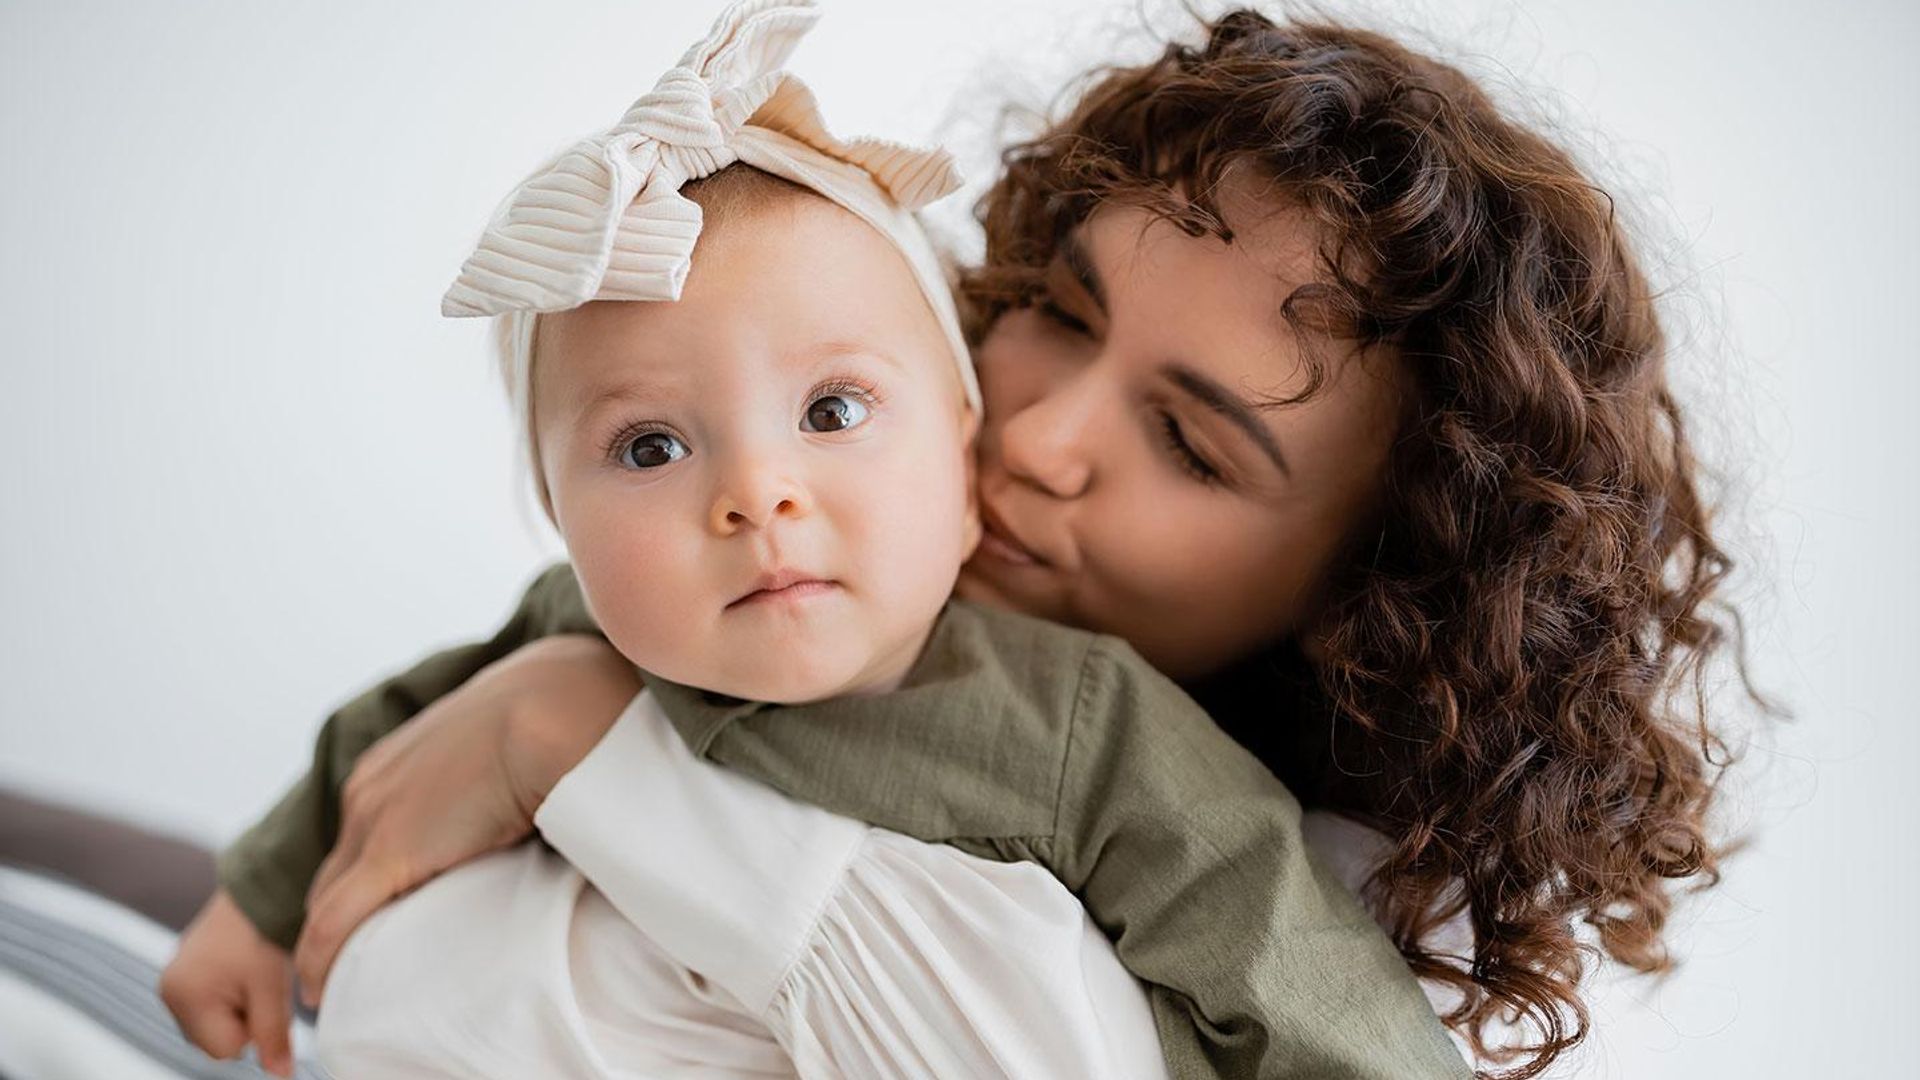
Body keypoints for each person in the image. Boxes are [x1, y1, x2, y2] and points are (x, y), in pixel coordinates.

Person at [166, 5, 1757, 1079]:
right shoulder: (662, 601)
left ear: (1377, 595)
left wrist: (574, 734)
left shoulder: (1101, 752)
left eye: (1190, 444)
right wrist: (261, 891)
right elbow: (389, 736)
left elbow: (1298, 989)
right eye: (1059, 314)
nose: (1040, 438)